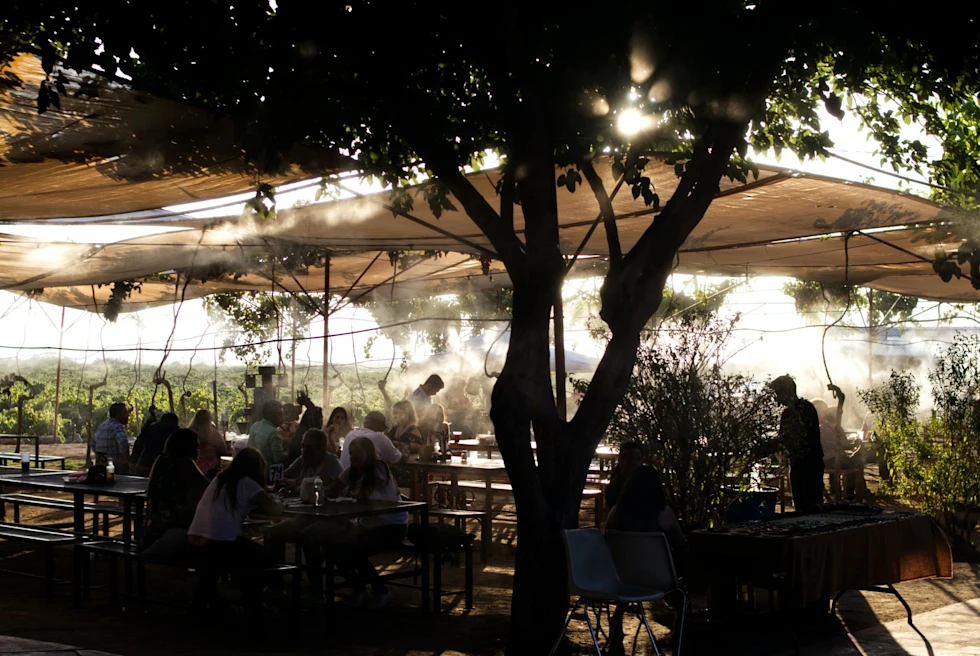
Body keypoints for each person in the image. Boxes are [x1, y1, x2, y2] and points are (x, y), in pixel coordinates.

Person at [304, 437, 408, 608]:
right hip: (368, 526)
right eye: (350, 453)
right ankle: (358, 587)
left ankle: (381, 591)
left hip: (391, 526)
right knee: (335, 547)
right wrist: (315, 488)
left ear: (368, 453)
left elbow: (364, 495)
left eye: (357, 453)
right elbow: (332, 489)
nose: (352, 457)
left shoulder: (378, 468)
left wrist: (347, 496)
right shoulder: (351, 471)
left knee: (352, 549)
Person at [187, 448, 284, 611]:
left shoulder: (220, 479)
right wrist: (280, 501)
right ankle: (253, 600)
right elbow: (274, 510)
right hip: (221, 544)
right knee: (264, 558)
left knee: (245, 554)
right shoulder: (248, 483)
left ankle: (212, 600)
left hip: (194, 540)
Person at [604, 465, 686, 654]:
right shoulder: (664, 514)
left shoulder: (616, 512)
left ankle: (617, 619)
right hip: (660, 579)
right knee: (680, 588)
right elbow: (680, 543)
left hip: (622, 578)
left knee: (632, 574)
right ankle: (679, 630)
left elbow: (606, 540)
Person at [264, 428, 343, 594]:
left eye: (309, 447)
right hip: (306, 516)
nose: (304, 451)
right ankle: (275, 583)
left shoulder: (331, 463)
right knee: (272, 533)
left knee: (310, 536)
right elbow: (284, 477)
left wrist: (292, 483)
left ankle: (316, 587)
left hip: (331, 518)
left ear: (322, 449)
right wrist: (282, 482)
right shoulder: (303, 460)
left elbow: (317, 485)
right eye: (302, 446)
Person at [140, 429, 209, 557]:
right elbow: (208, 490)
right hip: (174, 531)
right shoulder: (184, 464)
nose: (198, 452)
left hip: (154, 530)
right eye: (196, 447)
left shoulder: (161, 460)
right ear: (188, 448)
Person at [770, 375, 824, 514]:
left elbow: (786, 439)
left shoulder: (796, 412)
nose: (776, 398)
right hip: (807, 464)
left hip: (806, 466)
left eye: (777, 394)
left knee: (807, 506)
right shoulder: (806, 408)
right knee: (809, 506)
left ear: (785, 392)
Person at [92, 402, 132, 474]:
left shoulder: (102, 426)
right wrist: (126, 462)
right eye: (125, 412)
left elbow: (92, 443)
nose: (128, 415)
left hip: (100, 469)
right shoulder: (118, 427)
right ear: (118, 415)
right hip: (115, 470)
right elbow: (123, 444)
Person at [188, 409, 229, 478]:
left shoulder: (188, 434)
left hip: (193, 470)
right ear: (209, 420)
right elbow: (224, 451)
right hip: (212, 471)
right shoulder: (214, 435)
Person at [605, 441, 644, 509]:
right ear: (621, 461)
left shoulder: (646, 483)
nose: (635, 463)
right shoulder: (616, 486)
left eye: (638, 458)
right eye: (630, 459)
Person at [247, 400, 286, 466]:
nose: (283, 418)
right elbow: (279, 459)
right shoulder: (274, 432)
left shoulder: (255, 426)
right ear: (273, 415)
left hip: (252, 467)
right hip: (266, 471)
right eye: (280, 414)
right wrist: (289, 452)